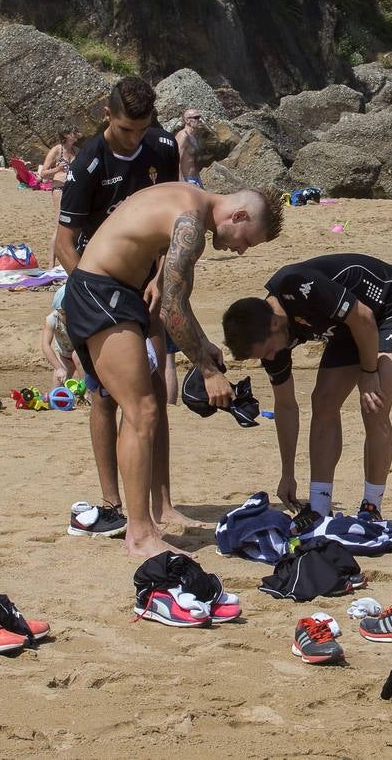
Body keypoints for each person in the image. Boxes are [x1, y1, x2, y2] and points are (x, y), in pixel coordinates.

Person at [63, 182, 281, 557]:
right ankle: (139, 534)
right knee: (142, 411)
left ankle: (145, 523)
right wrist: (209, 372)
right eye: (248, 240)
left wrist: (202, 344)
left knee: (147, 408)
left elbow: (175, 302)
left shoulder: (189, 200)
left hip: (118, 294)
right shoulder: (190, 224)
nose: (242, 250)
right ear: (239, 216)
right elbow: (171, 309)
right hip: (100, 293)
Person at [54, 77, 182, 538]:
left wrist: (164, 278)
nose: (135, 139)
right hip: (99, 289)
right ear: (107, 115)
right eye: (127, 129)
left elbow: (176, 215)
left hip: (147, 285)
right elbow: (64, 242)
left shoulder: (163, 146)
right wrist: (90, 295)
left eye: (142, 130)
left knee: (153, 395)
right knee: (107, 396)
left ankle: (162, 503)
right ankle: (112, 503)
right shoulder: (88, 163)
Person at [222, 253, 392, 520]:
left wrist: (369, 372)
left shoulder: (297, 285)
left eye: (269, 350)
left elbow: (364, 317)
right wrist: (288, 473)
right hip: (348, 327)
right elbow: (285, 406)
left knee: (374, 405)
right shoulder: (270, 341)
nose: (271, 358)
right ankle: (319, 507)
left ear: (274, 324)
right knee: (323, 402)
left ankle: (371, 507)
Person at [38, 130, 79, 267]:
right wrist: (57, 169)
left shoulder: (77, 151)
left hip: (73, 190)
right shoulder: (57, 150)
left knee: (72, 225)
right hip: (59, 188)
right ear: (66, 135)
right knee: (59, 225)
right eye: (73, 133)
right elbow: (43, 173)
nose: (76, 135)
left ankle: (66, 260)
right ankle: (51, 264)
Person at [41, 287, 78, 388]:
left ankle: (87, 393)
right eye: (62, 313)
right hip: (65, 356)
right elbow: (45, 345)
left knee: (76, 356)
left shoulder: (81, 319)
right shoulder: (52, 319)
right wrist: (58, 368)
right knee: (57, 388)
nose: (66, 316)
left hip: (82, 357)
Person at [176, 109, 204, 187]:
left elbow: (195, 162)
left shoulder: (195, 136)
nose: (200, 120)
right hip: (186, 180)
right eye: (196, 117)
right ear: (187, 120)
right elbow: (176, 161)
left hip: (196, 179)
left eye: (200, 117)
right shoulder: (183, 136)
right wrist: (182, 184)